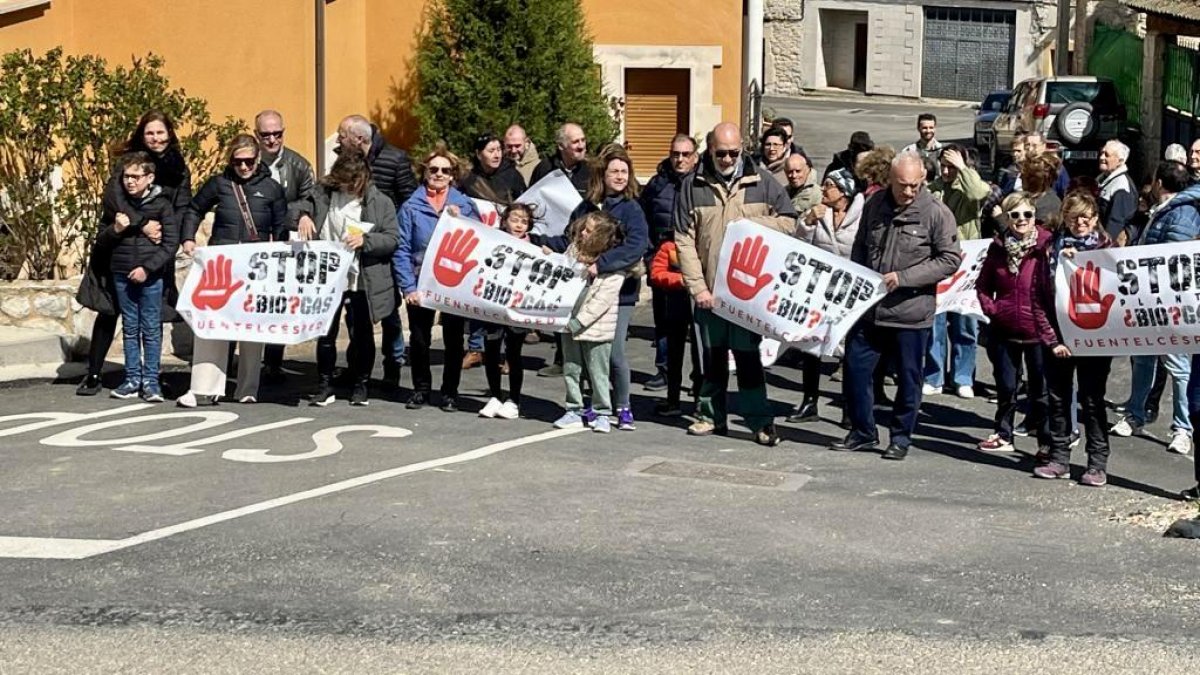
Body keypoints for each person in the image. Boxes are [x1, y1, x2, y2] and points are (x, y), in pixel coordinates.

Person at [674, 122, 798, 446]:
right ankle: (709, 416)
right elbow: (684, 241)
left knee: (747, 359)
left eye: (733, 152)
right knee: (712, 359)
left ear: (742, 148)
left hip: (747, 294)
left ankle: (760, 421)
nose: (728, 159)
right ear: (710, 150)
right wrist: (698, 288)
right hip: (710, 292)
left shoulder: (763, 181)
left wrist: (751, 223)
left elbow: (789, 222)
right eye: (721, 153)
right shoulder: (691, 185)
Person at [834, 152, 962, 460]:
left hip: (910, 313)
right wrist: (859, 279)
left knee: (908, 379)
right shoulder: (875, 205)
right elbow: (861, 245)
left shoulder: (936, 213)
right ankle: (863, 432)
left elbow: (949, 259)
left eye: (915, 185)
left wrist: (904, 278)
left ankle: (901, 437)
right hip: (871, 310)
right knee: (855, 371)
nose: (908, 191)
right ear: (890, 179)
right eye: (902, 184)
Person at [76, 110, 191, 396]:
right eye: (150, 132)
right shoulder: (128, 164)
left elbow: (182, 206)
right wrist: (143, 225)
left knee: (152, 317)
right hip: (121, 242)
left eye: (160, 132)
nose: (155, 138)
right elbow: (113, 200)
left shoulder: (178, 167)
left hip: (155, 250)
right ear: (142, 134)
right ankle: (94, 373)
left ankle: (150, 377)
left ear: (169, 134)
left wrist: (169, 233)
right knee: (110, 310)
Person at [177, 134, 286, 407]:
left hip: (256, 268)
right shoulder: (219, 184)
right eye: (238, 162)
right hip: (221, 267)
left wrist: (279, 261)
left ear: (258, 159)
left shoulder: (272, 189)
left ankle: (247, 388)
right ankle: (204, 388)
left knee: (251, 328)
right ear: (230, 161)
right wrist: (188, 238)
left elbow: (281, 229)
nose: (244, 167)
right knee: (213, 324)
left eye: (249, 161)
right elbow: (194, 209)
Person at [294, 149, 399, 406]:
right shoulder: (323, 193)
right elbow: (299, 204)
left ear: (364, 177)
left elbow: (392, 239)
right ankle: (325, 384)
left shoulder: (380, 202)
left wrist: (366, 240)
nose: (350, 186)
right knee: (326, 332)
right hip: (329, 276)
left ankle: (361, 384)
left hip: (362, 277)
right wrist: (303, 215)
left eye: (354, 181)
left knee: (362, 333)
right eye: (344, 181)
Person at [1111, 161, 1200, 455]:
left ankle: (1182, 428)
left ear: (1159, 183)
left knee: (1178, 366)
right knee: (1143, 359)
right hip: (1149, 302)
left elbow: (1173, 258)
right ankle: (1135, 414)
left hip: (1170, 304)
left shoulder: (1182, 213)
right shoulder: (1164, 210)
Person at [561, 149, 649, 430]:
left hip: (621, 292)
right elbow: (567, 236)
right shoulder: (587, 206)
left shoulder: (632, 209)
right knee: (585, 350)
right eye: (614, 171)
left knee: (614, 352)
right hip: (585, 289)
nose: (620, 176)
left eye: (624, 171)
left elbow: (637, 245)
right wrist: (536, 242)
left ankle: (623, 406)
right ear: (602, 175)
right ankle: (591, 404)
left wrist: (603, 264)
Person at [1034, 192, 1114, 486]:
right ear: (1064, 218)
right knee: (1057, 399)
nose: (1080, 223)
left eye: (1086, 217)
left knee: (1092, 401)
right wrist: (1052, 340)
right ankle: (1059, 458)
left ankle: (1097, 463)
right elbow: (1037, 298)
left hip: (1094, 338)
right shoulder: (1049, 251)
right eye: (1073, 217)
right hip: (1059, 338)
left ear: (1095, 219)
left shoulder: (1108, 251)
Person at [394, 142, 481, 412]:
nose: (439, 174)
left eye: (445, 170)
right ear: (424, 172)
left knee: (454, 339)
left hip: (454, 282)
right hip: (421, 281)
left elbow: (480, 240)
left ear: (453, 175)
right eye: (434, 169)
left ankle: (450, 392)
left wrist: (462, 220)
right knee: (420, 339)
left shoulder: (464, 205)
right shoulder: (411, 206)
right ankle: (421, 389)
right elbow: (402, 248)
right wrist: (408, 286)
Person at [336, 114, 418, 388]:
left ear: (359, 139)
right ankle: (356, 366)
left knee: (388, 308)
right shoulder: (344, 158)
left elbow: (408, 199)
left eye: (342, 136)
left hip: (385, 242)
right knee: (355, 310)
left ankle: (393, 363)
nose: (338, 141)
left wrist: (389, 229)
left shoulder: (395, 159)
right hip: (353, 245)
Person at [974, 192, 1054, 453]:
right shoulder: (997, 248)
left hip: (1038, 331)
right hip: (1005, 329)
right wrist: (993, 309)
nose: (1022, 219)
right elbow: (982, 285)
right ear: (1007, 218)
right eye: (1015, 215)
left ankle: (1046, 442)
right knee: (1006, 387)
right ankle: (1003, 434)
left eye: (1027, 214)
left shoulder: (1047, 246)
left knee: (1041, 390)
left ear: (1034, 216)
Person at [101, 152, 180, 402]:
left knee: (151, 328)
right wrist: (116, 229)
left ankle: (151, 382)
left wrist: (147, 268)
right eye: (127, 176)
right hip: (121, 272)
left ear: (150, 178)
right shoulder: (118, 205)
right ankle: (132, 378)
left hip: (151, 277)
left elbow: (170, 244)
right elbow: (101, 240)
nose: (130, 181)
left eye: (136, 176)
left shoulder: (162, 205)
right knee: (130, 327)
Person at [790, 168, 864, 423]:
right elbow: (801, 244)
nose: (823, 189)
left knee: (850, 350)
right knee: (811, 346)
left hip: (850, 292)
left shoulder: (862, 215)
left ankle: (849, 407)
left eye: (830, 185)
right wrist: (808, 222)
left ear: (844, 191)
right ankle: (809, 402)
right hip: (820, 290)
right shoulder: (820, 212)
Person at [551, 212, 631, 434]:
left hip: (597, 328)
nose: (583, 233)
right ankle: (573, 409)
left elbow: (602, 301)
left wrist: (579, 322)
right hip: (568, 323)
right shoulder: (572, 252)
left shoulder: (612, 265)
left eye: (589, 230)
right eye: (583, 228)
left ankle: (602, 412)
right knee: (571, 369)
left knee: (598, 372)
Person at [458, 131, 529, 370]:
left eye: (499, 149)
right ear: (479, 154)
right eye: (491, 150)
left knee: (507, 300)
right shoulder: (468, 180)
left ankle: (510, 354)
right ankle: (475, 348)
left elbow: (524, 208)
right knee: (477, 296)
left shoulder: (513, 176)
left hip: (509, 250)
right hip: (479, 249)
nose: (497, 154)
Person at [254, 109, 316, 383]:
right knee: (250, 300)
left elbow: (311, 198)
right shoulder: (247, 161)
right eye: (265, 134)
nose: (272, 139)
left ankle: (273, 362)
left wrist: (298, 215)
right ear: (256, 135)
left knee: (277, 301)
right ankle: (238, 360)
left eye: (277, 134)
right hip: (255, 239)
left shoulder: (298, 165)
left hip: (284, 241)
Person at [925, 145, 990, 399]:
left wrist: (963, 168)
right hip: (939, 262)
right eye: (943, 165)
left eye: (951, 166)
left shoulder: (969, 186)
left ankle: (963, 377)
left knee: (965, 323)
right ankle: (934, 376)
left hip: (966, 264)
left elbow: (979, 192)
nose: (946, 171)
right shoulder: (934, 189)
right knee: (936, 323)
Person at [641, 133, 698, 392]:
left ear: (695, 157)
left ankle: (700, 377)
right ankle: (664, 371)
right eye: (676, 154)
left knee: (697, 325)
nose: (680, 159)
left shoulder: (704, 184)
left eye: (686, 154)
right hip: (662, 262)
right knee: (664, 321)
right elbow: (643, 220)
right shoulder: (657, 184)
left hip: (695, 263)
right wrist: (650, 256)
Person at [478, 203, 536, 420]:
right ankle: (495, 396)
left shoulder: (534, 245)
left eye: (524, 221)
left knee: (513, 353)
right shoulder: (494, 240)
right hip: (494, 306)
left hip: (517, 308)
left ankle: (513, 400)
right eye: (515, 220)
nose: (519, 225)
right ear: (504, 221)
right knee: (491, 350)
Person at [530, 122, 592, 198]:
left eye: (583, 140)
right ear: (561, 146)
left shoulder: (592, 170)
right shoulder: (545, 169)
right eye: (575, 142)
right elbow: (531, 199)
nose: (581, 146)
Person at [1020, 154, 1063, 226]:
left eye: (1023, 175)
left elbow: (1041, 231)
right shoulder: (1026, 198)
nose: (1020, 177)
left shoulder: (1049, 204)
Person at [1024, 133, 1071, 198]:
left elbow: (1066, 193)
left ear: (1043, 146)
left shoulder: (1055, 166)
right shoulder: (1021, 165)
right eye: (1027, 145)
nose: (1030, 149)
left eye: (1034, 145)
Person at [901, 113, 943, 178]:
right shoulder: (909, 151)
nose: (928, 131)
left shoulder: (942, 151)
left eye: (931, 127)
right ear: (918, 128)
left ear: (935, 128)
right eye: (924, 128)